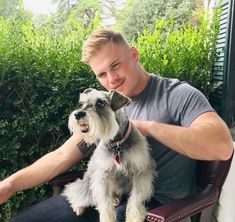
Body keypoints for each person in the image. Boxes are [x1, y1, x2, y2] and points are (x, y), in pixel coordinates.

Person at [0, 29, 233, 222]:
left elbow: (221, 147)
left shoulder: (177, 94)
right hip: (104, 196)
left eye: (116, 65)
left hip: (156, 208)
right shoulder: (103, 108)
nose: (111, 79)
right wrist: (10, 185)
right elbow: (62, 156)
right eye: (101, 74)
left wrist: (146, 127)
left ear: (133, 54)